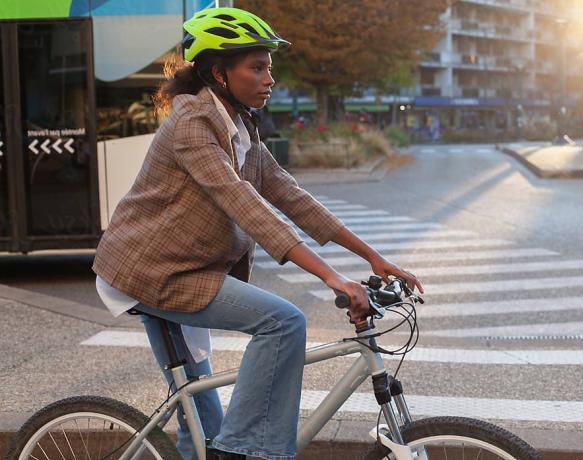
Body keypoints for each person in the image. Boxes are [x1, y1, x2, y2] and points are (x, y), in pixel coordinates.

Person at [92, 7, 423, 460]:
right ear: (218, 72)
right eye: (258, 67)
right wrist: (331, 278)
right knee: (283, 322)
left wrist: (371, 256)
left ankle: (225, 448)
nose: (270, 78)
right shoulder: (193, 125)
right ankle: (250, 451)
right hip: (153, 272)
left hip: (188, 267)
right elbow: (244, 204)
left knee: (203, 431)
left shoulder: (238, 122)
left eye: (270, 67)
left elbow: (288, 194)